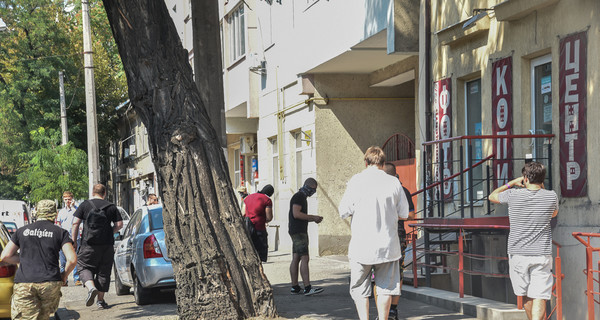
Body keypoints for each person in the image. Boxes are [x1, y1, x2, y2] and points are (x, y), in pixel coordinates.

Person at [338, 147, 409, 320]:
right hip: (388, 246)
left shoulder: (356, 181)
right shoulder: (393, 182)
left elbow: (343, 211)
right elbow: (404, 213)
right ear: (383, 164)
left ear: (366, 163)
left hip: (361, 246)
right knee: (385, 287)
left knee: (360, 287)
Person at [489, 162, 558, 320]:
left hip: (518, 253)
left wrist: (512, 183)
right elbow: (553, 214)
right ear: (542, 179)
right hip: (541, 253)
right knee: (540, 295)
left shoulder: (513, 195)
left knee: (525, 294)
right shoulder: (551, 196)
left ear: (525, 178)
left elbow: (492, 196)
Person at [0, 200, 76, 319]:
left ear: (37, 212)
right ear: (54, 214)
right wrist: (64, 276)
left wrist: (24, 259)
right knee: (43, 317)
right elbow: (72, 259)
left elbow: (5, 256)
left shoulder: (22, 231)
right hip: (50, 283)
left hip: (25, 283)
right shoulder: (60, 232)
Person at [71, 184, 123, 309]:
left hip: (88, 244)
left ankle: (91, 288)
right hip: (106, 246)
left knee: (83, 266)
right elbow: (119, 225)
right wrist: (110, 232)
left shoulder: (85, 205)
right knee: (104, 272)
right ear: (104, 193)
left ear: (93, 192)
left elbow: (75, 223)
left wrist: (74, 240)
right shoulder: (111, 207)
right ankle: (100, 301)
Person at [378, 162, 415, 319]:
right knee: (378, 274)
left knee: (397, 272)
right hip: (379, 236)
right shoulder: (376, 190)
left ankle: (392, 309)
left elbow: (411, 215)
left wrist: (393, 215)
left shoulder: (402, 191)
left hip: (396, 235)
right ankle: (383, 313)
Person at [289, 178, 324, 296]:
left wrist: (312, 219)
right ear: (308, 186)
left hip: (296, 230)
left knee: (296, 258)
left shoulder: (300, 197)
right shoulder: (299, 197)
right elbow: (296, 214)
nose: (313, 192)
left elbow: (298, 215)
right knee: (305, 258)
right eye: (313, 189)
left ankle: (295, 287)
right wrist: (313, 217)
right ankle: (307, 287)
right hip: (299, 232)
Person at [243, 184, 274, 262]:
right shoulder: (267, 200)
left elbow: (243, 213)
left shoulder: (247, 198)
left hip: (247, 229)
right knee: (260, 256)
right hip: (259, 229)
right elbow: (269, 217)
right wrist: (264, 220)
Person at [56, 191, 81, 286]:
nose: (68, 201)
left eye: (69, 199)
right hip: (63, 239)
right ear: (63, 200)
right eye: (66, 199)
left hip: (74, 238)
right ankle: (64, 279)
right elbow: (58, 224)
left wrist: (75, 206)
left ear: (72, 200)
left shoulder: (76, 210)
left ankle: (76, 279)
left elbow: (80, 218)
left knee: (74, 259)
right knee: (63, 261)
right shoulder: (61, 212)